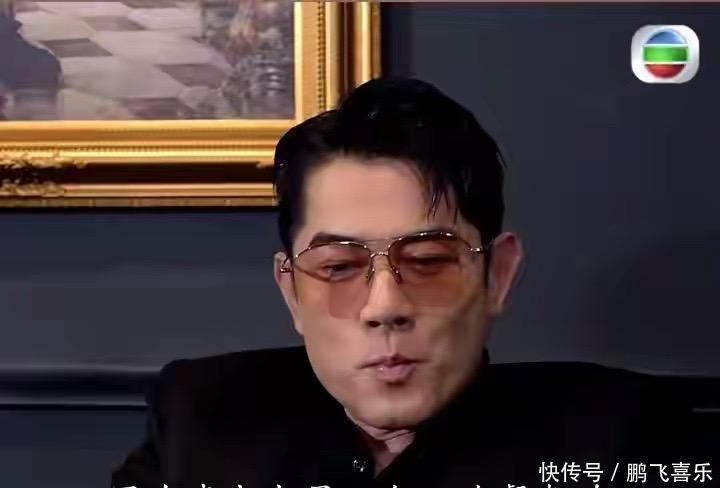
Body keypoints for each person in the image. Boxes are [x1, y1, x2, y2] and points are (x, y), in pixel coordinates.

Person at [112, 77, 707, 488]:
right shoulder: (200, 418)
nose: (384, 306)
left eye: (427, 261)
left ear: (497, 274)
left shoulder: (621, 439)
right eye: (339, 268)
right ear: (291, 290)